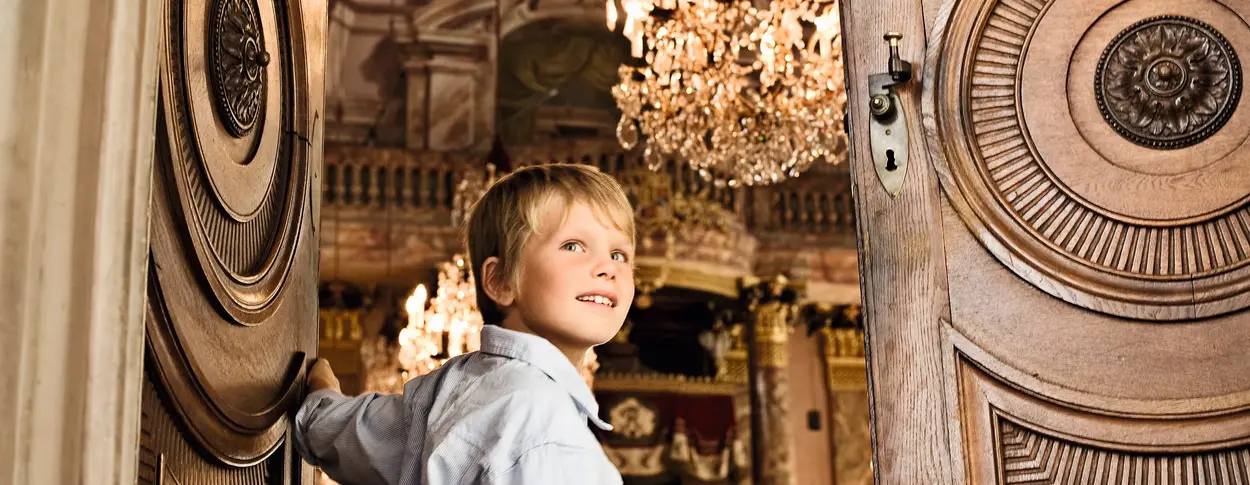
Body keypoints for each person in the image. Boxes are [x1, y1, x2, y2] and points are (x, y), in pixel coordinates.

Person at [294, 163, 635, 485]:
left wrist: (321, 392)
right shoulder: (548, 429)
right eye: (573, 246)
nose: (608, 267)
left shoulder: (448, 388)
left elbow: (345, 435)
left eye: (619, 254)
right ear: (500, 280)